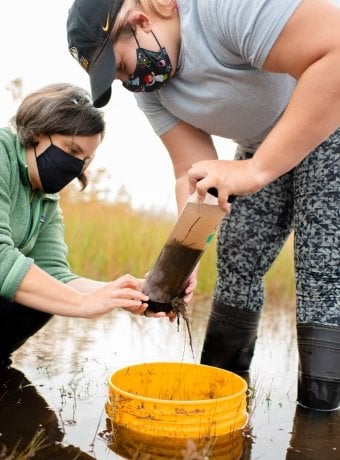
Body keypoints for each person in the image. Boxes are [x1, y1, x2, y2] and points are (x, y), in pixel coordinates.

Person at [66, 0, 340, 411]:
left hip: (329, 122)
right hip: (261, 145)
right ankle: (219, 396)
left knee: (319, 266)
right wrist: (185, 256)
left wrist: (257, 169)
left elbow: (335, 49)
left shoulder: (221, 9)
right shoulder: (153, 88)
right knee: (237, 258)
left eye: (122, 67)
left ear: (140, 21)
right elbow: (190, 173)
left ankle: (320, 419)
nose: (130, 82)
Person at [0, 82, 154, 369]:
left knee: (46, 294)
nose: (75, 166)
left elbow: (55, 274)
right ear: (36, 132)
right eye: (71, 149)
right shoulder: (2, 156)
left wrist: (121, 295)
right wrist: (83, 305)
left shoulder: (45, 196)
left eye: (84, 159)